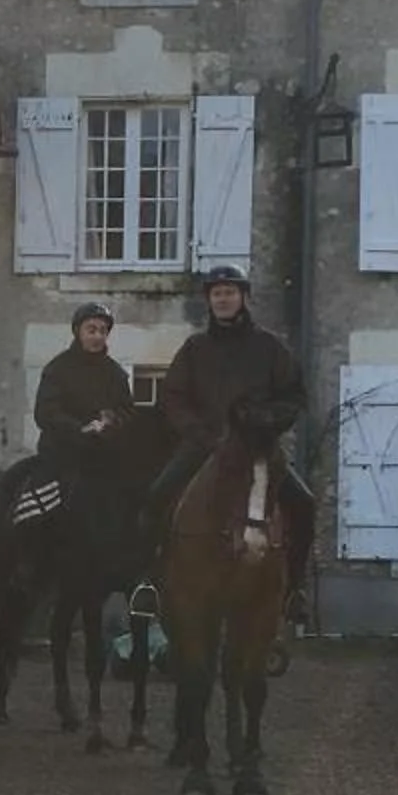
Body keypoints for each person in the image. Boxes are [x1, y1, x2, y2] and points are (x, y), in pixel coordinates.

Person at [135, 265, 316, 618]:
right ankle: (149, 584)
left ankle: (294, 590)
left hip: (259, 449)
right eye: (216, 293)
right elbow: (173, 398)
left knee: (304, 503)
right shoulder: (194, 349)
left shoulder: (269, 348)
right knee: (156, 496)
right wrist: (202, 434)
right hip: (205, 447)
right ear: (209, 301)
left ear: (243, 298)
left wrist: (266, 420)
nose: (222, 298)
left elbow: (294, 396)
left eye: (229, 292)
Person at [32, 301, 138, 513]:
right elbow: (45, 412)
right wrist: (79, 429)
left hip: (103, 458)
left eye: (103, 331)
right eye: (91, 330)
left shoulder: (116, 374)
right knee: (41, 510)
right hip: (62, 455)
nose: (97, 336)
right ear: (77, 332)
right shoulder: (58, 369)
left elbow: (127, 411)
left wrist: (112, 422)